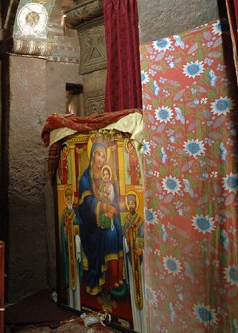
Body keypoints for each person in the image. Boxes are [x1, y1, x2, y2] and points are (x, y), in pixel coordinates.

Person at [78, 137, 124, 296]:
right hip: (91, 222)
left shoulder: (107, 176)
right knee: (111, 233)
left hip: (106, 217)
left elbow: (115, 198)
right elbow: (87, 203)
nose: (101, 159)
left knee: (117, 227)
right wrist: (104, 208)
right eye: (98, 155)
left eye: (103, 156)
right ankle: (106, 279)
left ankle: (116, 276)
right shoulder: (86, 177)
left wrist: (114, 209)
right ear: (92, 155)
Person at [123, 191, 146, 332]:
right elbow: (124, 237)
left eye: (133, 203)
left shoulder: (140, 221)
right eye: (129, 203)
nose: (131, 205)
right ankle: (136, 326)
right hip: (131, 260)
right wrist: (125, 241)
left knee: (141, 287)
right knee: (133, 287)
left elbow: (143, 237)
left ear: (136, 204)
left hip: (140, 260)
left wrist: (142, 250)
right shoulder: (126, 221)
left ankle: (144, 323)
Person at [60, 186, 82, 310]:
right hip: (68, 251)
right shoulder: (63, 215)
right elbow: (62, 231)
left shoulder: (75, 214)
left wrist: (77, 236)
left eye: (70, 198)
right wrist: (65, 230)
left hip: (75, 249)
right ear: (65, 199)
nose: (69, 200)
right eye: (67, 198)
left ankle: (78, 305)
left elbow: (78, 227)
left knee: (76, 279)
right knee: (69, 273)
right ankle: (70, 304)